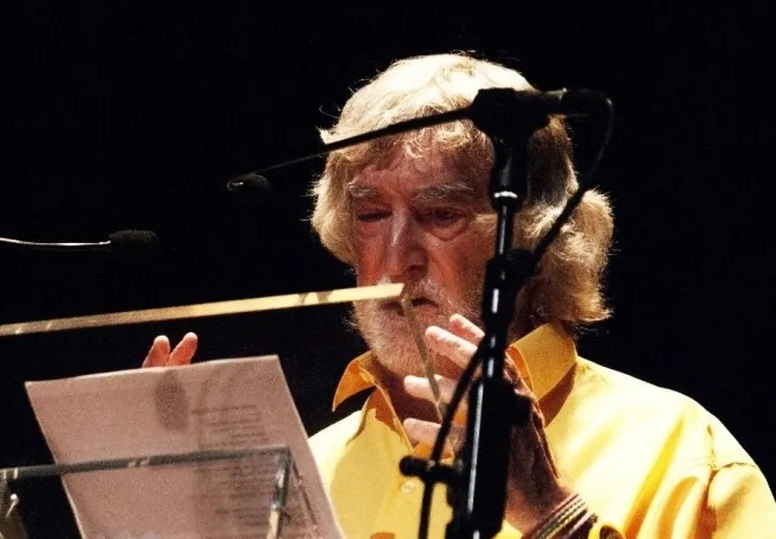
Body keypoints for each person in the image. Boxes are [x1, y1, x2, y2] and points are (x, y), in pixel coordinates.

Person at [141, 52, 776, 538]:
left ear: (534, 233)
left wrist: (552, 513)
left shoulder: (688, 456)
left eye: (439, 213)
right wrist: (157, 512)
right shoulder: (305, 468)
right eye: (370, 215)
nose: (396, 257)